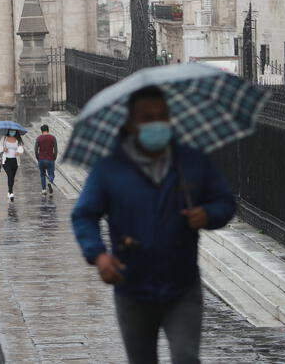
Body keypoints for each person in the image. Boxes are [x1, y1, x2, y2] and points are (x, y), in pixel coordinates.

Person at [71, 86, 235, 364]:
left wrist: (208, 214)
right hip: (132, 286)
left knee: (186, 358)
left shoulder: (192, 162)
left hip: (182, 285)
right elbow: (84, 214)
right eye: (147, 117)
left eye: (162, 116)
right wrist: (98, 254)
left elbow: (225, 202)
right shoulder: (109, 169)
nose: (156, 123)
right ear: (132, 124)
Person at [0, 130, 24, 202]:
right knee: (10, 175)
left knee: (12, 177)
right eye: (11, 131)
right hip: (6, 160)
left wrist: (19, 152)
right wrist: (3, 149)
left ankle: (9, 191)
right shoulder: (4, 138)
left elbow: (21, 148)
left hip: (15, 160)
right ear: (8, 131)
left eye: (14, 131)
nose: (12, 132)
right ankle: (11, 192)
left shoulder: (18, 139)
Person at [35, 124, 58, 195]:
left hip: (41, 159)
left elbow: (36, 150)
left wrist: (38, 158)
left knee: (42, 175)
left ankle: (44, 190)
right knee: (52, 174)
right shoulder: (52, 138)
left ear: (41, 131)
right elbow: (56, 150)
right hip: (50, 159)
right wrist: (54, 157)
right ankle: (50, 182)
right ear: (48, 130)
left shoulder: (38, 138)